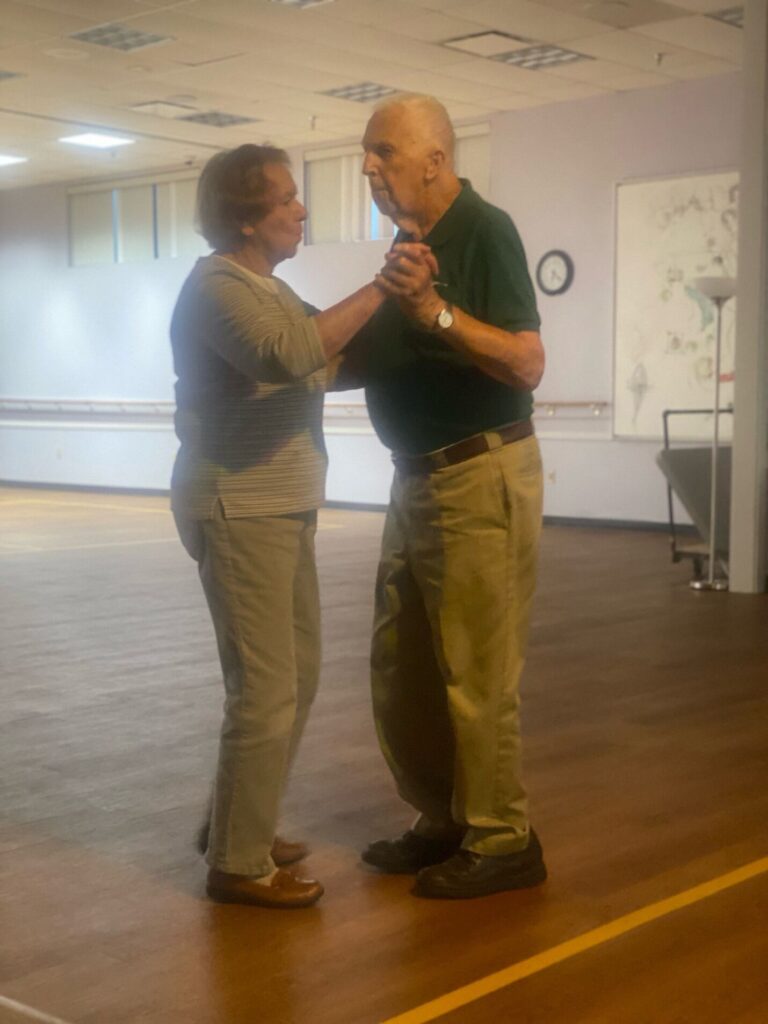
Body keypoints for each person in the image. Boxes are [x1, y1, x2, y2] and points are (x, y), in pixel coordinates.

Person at [170, 143, 395, 909]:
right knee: (264, 689)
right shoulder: (217, 289)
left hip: (282, 504)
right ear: (244, 215)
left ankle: (238, 827)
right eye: (285, 200)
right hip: (238, 508)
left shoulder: (271, 288)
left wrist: (416, 324)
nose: (301, 210)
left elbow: (330, 356)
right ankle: (237, 864)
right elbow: (289, 354)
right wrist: (381, 285)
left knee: (291, 680)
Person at [346, 94, 547, 898]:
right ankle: (443, 818)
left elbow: (528, 362)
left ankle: (503, 840)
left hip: (479, 474)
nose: (368, 166)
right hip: (414, 478)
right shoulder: (406, 240)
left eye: (382, 151)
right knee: (404, 669)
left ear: (434, 159)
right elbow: (383, 353)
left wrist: (436, 312)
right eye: (366, 154)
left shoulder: (485, 230)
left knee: (478, 673)